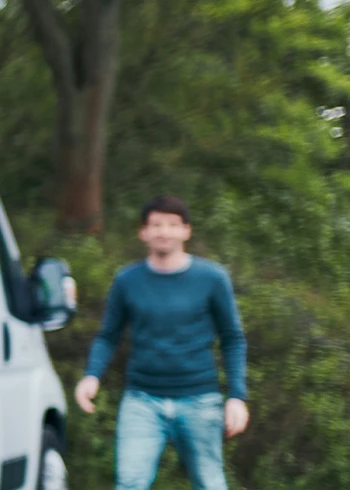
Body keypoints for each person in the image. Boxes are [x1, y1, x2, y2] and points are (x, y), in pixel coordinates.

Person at [74, 196, 250, 490]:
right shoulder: (127, 280)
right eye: (156, 225)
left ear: (186, 231)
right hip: (142, 401)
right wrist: (91, 376)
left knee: (210, 483)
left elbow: (232, 339)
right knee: (130, 483)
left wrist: (237, 397)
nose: (163, 231)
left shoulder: (212, 278)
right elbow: (108, 335)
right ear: (143, 232)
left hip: (200, 400)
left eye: (172, 224)